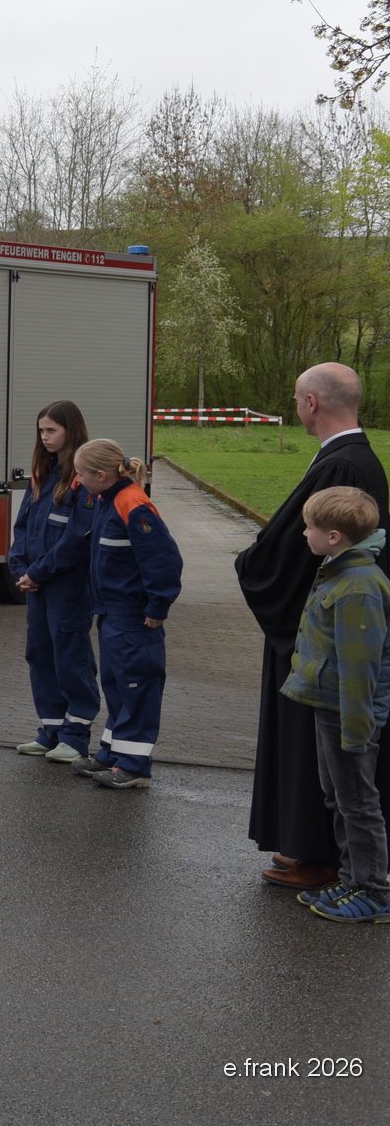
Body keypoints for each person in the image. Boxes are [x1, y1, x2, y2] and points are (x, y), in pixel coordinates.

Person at [240, 362, 390, 889]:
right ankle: (315, 849)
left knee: (332, 761)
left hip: (327, 636)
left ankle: (324, 857)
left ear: (311, 403)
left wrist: (254, 563)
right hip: (326, 628)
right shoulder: (352, 459)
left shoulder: (342, 464)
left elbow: (295, 554)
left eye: (295, 399)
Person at [282, 486, 390, 922]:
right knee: (340, 798)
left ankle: (374, 891)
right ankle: (353, 879)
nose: (303, 533)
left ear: (333, 536)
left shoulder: (358, 587)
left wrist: (356, 731)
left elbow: (359, 667)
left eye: (309, 526)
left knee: (357, 802)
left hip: (348, 715)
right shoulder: (340, 573)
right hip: (331, 707)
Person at [71, 439, 183, 789]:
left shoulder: (133, 505)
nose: (77, 480)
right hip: (112, 611)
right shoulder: (109, 500)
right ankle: (112, 753)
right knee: (118, 686)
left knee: (137, 686)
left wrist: (158, 605)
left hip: (133, 615)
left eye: (81, 474)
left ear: (101, 475)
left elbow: (164, 560)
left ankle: (134, 766)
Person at [9, 400, 100, 762]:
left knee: (70, 658)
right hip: (38, 584)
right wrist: (20, 567)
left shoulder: (81, 479)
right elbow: (22, 528)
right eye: (41, 430)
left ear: (70, 430)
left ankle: (75, 737)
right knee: (40, 653)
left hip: (67, 586)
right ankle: (50, 731)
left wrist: (38, 572)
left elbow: (76, 540)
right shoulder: (42, 474)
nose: (44, 437)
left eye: (52, 430)